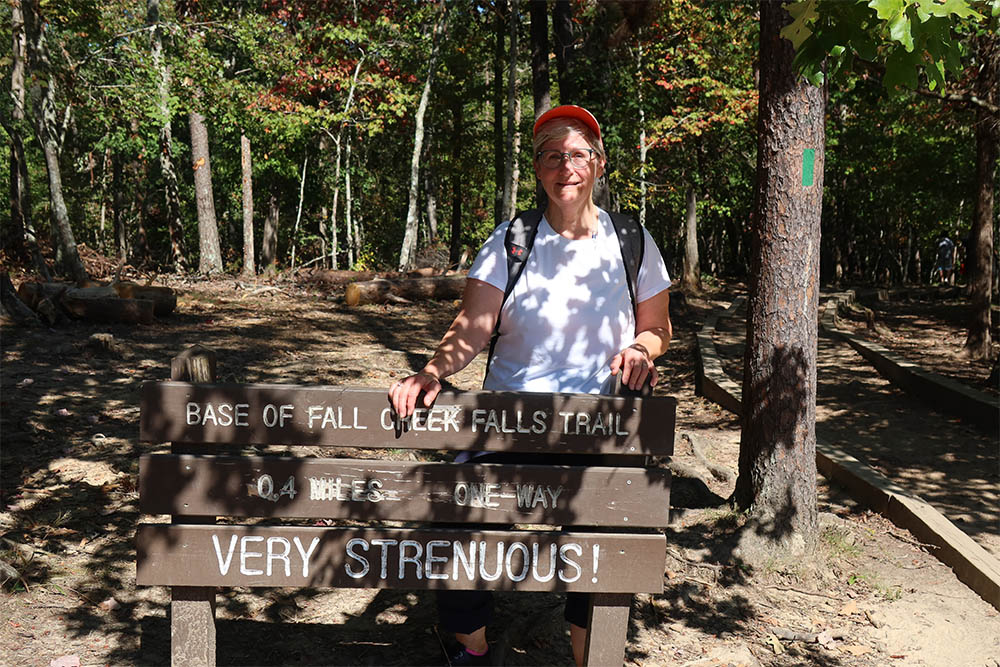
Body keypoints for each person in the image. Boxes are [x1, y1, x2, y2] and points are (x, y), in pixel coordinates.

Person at [388, 105, 673, 666]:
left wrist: (643, 348)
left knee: (604, 536)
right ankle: (474, 648)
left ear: (598, 163)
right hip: (509, 420)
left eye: (576, 154)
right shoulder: (512, 239)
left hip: (597, 426)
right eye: (550, 155)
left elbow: (658, 326)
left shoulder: (632, 241)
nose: (564, 166)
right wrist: (433, 370)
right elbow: (472, 326)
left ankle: (592, 655)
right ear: (538, 168)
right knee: (454, 509)